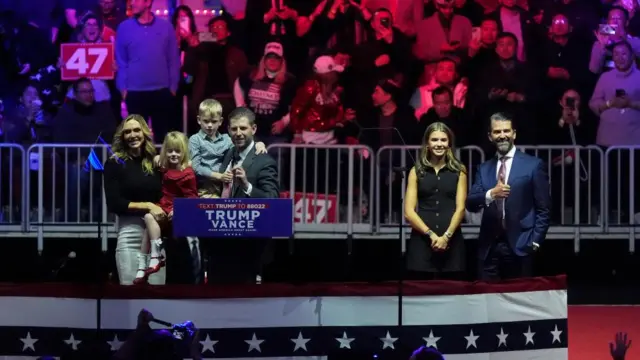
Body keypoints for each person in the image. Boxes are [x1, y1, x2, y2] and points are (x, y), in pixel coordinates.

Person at [466, 112, 551, 281]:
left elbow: (544, 208)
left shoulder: (533, 165)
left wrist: (535, 241)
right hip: (489, 247)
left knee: (518, 303)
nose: (502, 135)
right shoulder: (484, 169)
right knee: (487, 302)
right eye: (497, 132)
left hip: (521, 245)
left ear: (514, 133)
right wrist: (491, 194)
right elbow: (471, 202)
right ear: (490, 136)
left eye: (506, 131)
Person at [208, 107, 279, 284]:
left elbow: (272, 200)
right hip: (221, 244)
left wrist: (247, 185)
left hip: (250, 248)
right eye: (234, 129)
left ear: (253, 129)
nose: (238, 133)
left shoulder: (265, 161)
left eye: (243, 128)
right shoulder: (228, 154)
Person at [103, 114, 165, 285]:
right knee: (131, 297)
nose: (132, 135)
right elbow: (114, 203)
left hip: (155, 238)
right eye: (127, 132)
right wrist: (148, 206)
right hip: (130, 234)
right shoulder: (114, 163)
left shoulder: (156, 162)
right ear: (122, 137)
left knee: (158, 297)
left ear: (145, 133)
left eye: (137, 130)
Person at [403, 122, 467, 279]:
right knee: (421, 296)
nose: (439, 144)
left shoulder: (459, 171)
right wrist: (431, 235)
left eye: (443, 140)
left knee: (453, 295)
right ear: (427, 144)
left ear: (449, 143)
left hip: (451, 241)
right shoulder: (416, 171)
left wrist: (446, 237)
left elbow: (460, 209)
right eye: (435, 140)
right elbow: (409, 212)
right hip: (422, 242)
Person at [134, 131, 198, 285]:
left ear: (184, 153)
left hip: (176, 213)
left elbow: (193, 198)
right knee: (149, 218)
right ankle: (146, 261)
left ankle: (154, 258)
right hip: (163, 207)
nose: (173, 154)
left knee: (150, 220)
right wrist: (158, 157)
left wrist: (179, 210)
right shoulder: (164, 167)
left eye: (177, 151)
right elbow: (157, 160)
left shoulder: (187, 174)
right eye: (170, 151)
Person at [189, 99, 268, 198]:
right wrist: (218, 176)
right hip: (202, 187)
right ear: (199, 120)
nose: (209, 125)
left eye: (214, 121)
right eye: (206, 121)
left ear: (220, 121)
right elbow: (196, 167)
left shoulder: (226, 139)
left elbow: (241, 147)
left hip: (222, 186)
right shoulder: (195, 139)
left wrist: (257, 144)